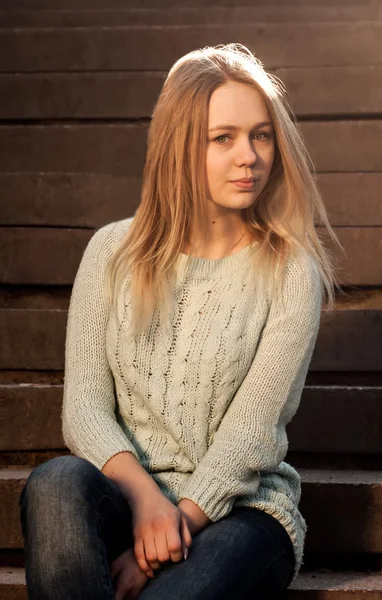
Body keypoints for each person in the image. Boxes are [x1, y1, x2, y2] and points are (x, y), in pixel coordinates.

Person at [19, 43, 340, 600]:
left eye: (261, 135)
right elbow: (85, 411)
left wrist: (167, 537)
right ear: (179, 146)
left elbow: (251, 435)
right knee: (55, 483)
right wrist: (146, 502)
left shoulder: (290, 270)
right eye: (224, 138)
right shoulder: (110, 253)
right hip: (126, 500)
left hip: (240, 515)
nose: (250, 156)